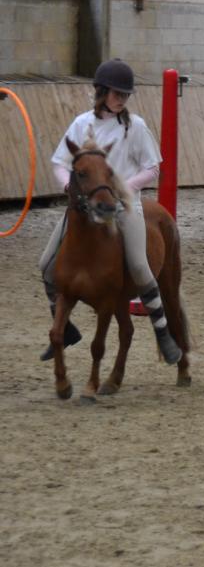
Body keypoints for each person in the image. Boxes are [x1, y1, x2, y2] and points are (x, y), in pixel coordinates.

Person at [37, 59, 182, 364]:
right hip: (84, 206)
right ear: (102, 91)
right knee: (47, 265)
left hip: (124, 206)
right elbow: (60, 163)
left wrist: (122, 186)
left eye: (125, 95)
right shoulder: (81, 124)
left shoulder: (135, 127)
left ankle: (163, 333)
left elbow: (153, 168)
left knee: (141, 268)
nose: (121, 99)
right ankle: (66, 328)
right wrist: (68, 188)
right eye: (117, 93)